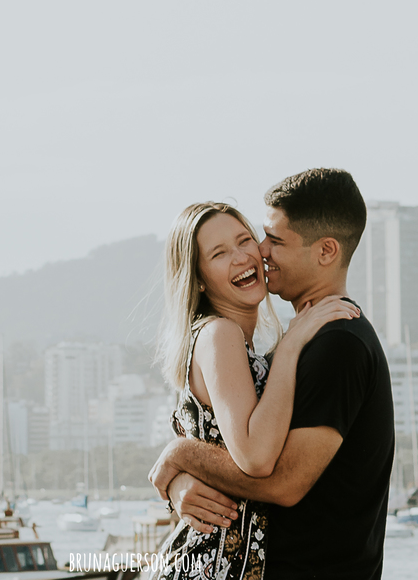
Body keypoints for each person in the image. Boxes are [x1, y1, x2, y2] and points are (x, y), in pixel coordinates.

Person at [149, 169, 395, 580]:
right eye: (221, 252)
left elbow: (280, 481)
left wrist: (182, 455)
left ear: (326, 251)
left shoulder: (338, 344)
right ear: (200, 279)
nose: (259, 251)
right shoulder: (274, 342)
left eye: (270, 240)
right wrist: (181, 478)